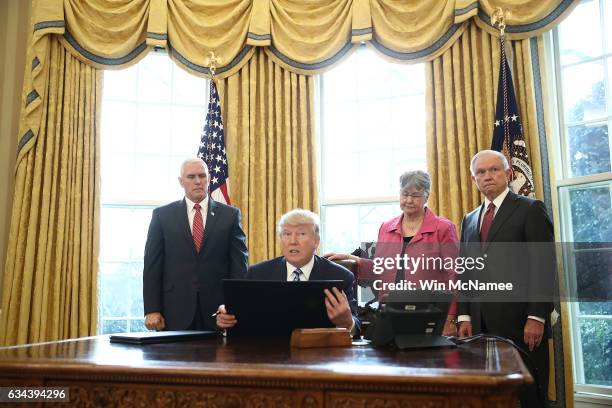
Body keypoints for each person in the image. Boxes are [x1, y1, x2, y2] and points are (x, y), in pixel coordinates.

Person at [457, 150, 554, 408]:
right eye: (481, 172)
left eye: (494, 170)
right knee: (487, 397)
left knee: (527, 396)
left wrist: (537, 317)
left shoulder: (530, 209)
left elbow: (543, 266)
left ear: (508, 173)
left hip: (521, 324)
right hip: (479, 327)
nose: (487, 176)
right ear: (473, 179)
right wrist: (464, 316)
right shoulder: (469, 219)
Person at [325, 170, 459, 336]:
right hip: (390, 312)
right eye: (405, 194)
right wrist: (350, 259)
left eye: (416, 195)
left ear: (427, 196)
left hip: (430, 312)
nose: (409, 200)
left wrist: (451, 318)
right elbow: (381, 268)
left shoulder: (443, 228)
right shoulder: (386, 227)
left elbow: (455, 274)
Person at [143, 158, 248, 331]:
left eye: (202, 176)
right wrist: (152, 309)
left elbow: (239, 265)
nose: (198, 181)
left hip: (219, 313)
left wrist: (234, 305)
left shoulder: (230, 215)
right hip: (174, 310)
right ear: (181, 181)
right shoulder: (162, 216)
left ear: (209, 178)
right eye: (191, 177)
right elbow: (152, 266)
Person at [216, 209, 360, 334]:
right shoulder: (258, 274)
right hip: (268, 354)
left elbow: (355, 326)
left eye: (301, 234)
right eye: (286, 234)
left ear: (316, 241)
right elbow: (240, 319)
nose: (293, 241)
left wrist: (347, 323)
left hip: (321, 356)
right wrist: (226, 318)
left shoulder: (341, 276)